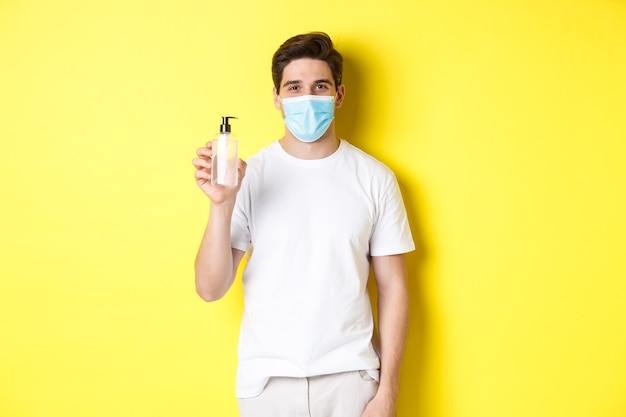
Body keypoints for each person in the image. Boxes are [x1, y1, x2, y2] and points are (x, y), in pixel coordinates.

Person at [192, 32, 415, 417]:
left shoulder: (375, 178)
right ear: (277, 98)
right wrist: (221, 204)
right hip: (267, 384)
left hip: (352, 381)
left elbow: (394, 287)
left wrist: (387, 393)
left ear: (339, 95)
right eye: (294, 87)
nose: (306, 98)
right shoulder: (250, 175)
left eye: (320, 86)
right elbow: (210, 288)